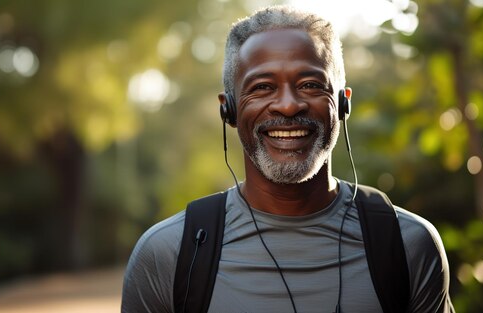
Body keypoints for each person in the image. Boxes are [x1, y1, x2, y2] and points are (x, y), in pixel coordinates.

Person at [122, 5, 454, 313]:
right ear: (229, 109)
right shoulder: (170, 254)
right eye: (263, 87)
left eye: (310, 84)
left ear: (342, 103)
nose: (288, 106)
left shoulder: (407, 243)